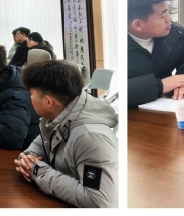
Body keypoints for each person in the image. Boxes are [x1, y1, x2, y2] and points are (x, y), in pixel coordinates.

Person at [18, 61, 117, 208]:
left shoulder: (89, 137)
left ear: (48, 102)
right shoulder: (59, 117)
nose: (30, 98)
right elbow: (37, 146)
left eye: (31, 94)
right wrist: (26, 159)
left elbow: (98, 201)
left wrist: (38, 170)